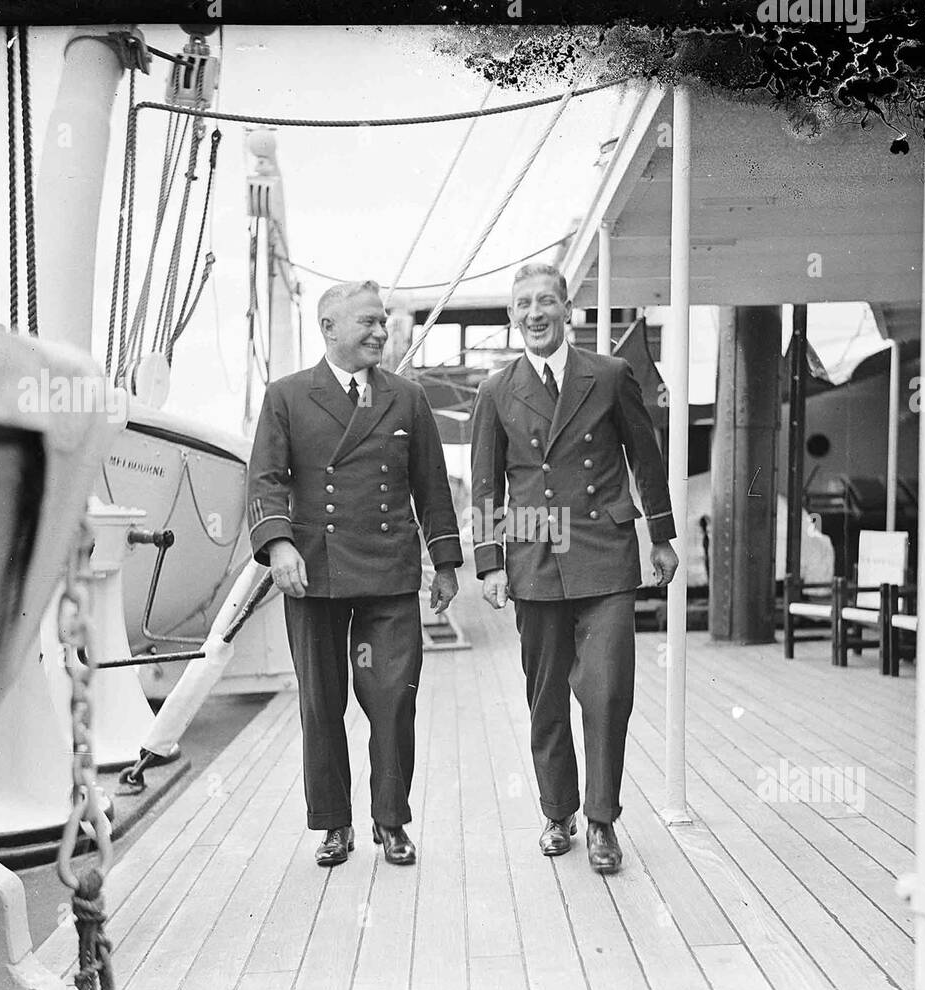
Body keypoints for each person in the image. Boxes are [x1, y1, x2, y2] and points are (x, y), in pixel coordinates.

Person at [469, 264, 678, 874]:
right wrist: (488, 564)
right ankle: (556, 811)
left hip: (605, 553)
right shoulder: (495, 391)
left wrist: (662, 537)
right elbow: (486, 486)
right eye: (522, 305)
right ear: (513, 316)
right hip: (533, 555)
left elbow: (647, 458)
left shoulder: (610, 376)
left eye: (545, 303)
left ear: (568, 310)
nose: (534, 313)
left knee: (608, 691)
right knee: (545, 695)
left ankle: (602, 820)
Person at [247, 280, 461, 867]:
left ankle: (391, 821)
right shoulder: (287, 396)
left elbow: (431, 486)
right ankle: (333, 824)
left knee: (393, 698)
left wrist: (444, 562)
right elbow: (265, 480)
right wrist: (278, 545)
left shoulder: (407, 398)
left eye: (382, 322)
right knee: (322, 701)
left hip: (389, 576)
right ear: (329, 328)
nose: (379, 331)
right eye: (366, 322)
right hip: (314, 575)